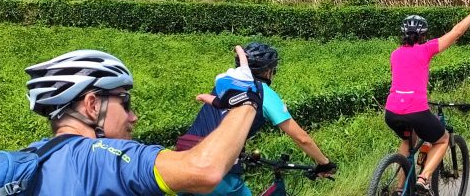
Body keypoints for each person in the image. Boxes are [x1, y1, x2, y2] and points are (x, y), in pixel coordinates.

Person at [24, 48, 263, 195]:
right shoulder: (109, 159)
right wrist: (246, 100)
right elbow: (204, 171)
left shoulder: (31, 158)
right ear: (92, 105)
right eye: (125, 103)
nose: (133, 116)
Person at [177, 42, 337, 196]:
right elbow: (302, 138)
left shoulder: (225, 85)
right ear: (268, 72)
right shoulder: (262, 93)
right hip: (214, 168)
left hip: (181, 160)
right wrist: (324, 163)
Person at [384, 0, 470, 194]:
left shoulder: (395, 54)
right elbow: (457, 31)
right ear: (423, 35)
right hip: (416, 109)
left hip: (392, 111)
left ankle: (399, 189)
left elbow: (405, 81)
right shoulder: (426, 49)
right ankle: (423, 179)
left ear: (403, 34)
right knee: (441, 140)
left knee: (408, 140)